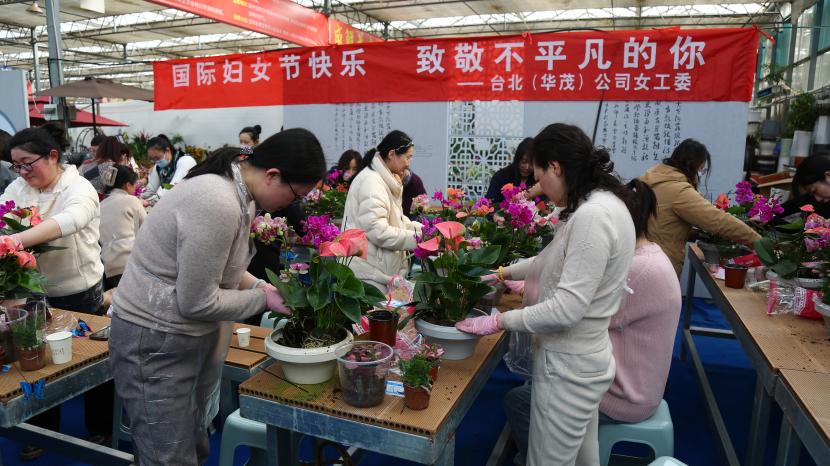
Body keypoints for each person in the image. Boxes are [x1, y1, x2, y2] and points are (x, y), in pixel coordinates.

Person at [109, 129, 325, 466]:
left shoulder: (240, 193)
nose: (292, 205)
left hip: (177, 335)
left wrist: (260, 286)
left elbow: (220, 267)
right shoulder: (218, 200)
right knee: (169, 457)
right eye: (296, 195)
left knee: (189, 445)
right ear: (272, 175)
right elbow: (197, 301)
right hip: (152, 338)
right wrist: (264, 300)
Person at [455, 123, 638, 466]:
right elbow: (550, 259)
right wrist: (503, 273)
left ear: (556, 167)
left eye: (541, 178)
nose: (542, 191)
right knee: (584, 458)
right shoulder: (600, 203)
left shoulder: (593, 216)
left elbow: (566, 309)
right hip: (585, 361)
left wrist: (500, 321)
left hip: (568, 369)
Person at [502, 179, 682, 466]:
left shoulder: (637, 268)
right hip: (626, 378)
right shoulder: (646, 255)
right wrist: (517, 277)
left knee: (520, 399)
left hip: (624, 393)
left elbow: (572, 316)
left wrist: (510, 312)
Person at [0, 125, 106, 459]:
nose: (21, 172)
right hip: (32, 291)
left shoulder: (79, 187)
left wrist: (14, 240)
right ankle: (42, 430)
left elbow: (71, 220)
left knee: (89, 359)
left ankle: (100, 427)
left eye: (27, 163)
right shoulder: (19, 187)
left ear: (53, 156)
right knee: (35, 359)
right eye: (16, 165)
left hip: (78, 293)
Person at [639, 139, 761, 276]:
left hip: (641, 259)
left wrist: (697, 234)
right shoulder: (678, 190)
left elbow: (660, 223)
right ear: (693, 165)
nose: (701, 173)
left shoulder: (653, 178)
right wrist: (758, 242)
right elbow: (718, 220)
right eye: (701, 169)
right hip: (660, 266)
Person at [342, 130, 422, 292]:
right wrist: (419, 238)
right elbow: (377, 231)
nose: (409, 163)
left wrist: (425, 231)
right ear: (392, 154)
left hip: (379, 272)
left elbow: (395, 219)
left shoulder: (383, 179)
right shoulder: (372, 182)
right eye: (407, 157)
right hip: (369, 275)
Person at [99, 165, 146, 290]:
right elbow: (146, 230)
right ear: (127, 185)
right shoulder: (132, 200)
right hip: (131, 264)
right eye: (134, 184)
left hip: (109, 269)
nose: (135, 188)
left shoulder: (100, 205)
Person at [486, 138, 542, 204]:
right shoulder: (501, 176)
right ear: (517, 159)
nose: (527, 167)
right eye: (524, 162)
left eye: (532, 163)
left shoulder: (540, 180)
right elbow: (490, 202)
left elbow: (545, 204)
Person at [141, 134, 197, 200]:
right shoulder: (158, 167)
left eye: (157, 158)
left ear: (167, 150)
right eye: (152, 159)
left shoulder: (185, 161)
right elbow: (151, 189)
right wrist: (137, 197)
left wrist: (152, 200)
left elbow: (172, 187)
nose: (156, 162)